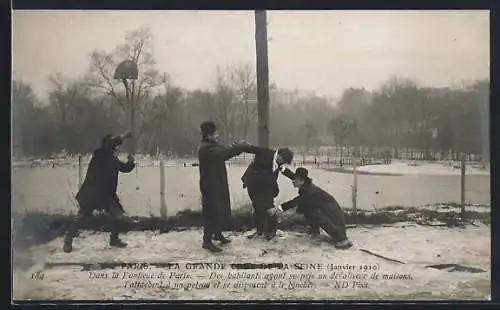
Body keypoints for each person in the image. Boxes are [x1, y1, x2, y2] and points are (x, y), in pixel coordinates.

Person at [63, 132, 135, 253]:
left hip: (107, 195)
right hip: (93, 193)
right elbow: (111, 143)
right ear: (107, 145)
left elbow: (125, 168)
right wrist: (124, 136)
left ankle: (114, 239)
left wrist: (131, 162)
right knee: (82, 217)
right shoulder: (100, 155)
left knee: (117, 215)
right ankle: (67, 241)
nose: (116, 146)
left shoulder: (112, 159)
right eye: (113, 144)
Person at [198, 121, 252, 253]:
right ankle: (207, 241)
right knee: (211, 212)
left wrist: (237, 147)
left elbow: (225, 151)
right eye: (215, 133)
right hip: (210, 185)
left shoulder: (211, 145)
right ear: (209, 135)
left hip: (216, 182)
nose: (218, 135)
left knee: (219, 209)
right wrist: (240, 147)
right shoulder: (206, 148)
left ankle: (217, 234)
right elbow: (224, 153)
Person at [271, 167, 353, 249]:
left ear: (301, 180)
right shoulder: (305, 183)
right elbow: (292, 176)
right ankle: (314, 230)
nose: (293, 181)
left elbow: (296, 201)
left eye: (295, 180)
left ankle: (343, 240)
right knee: (309, 212)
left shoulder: (309, 192)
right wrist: (283, 169)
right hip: (324, 207)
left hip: (331, 210)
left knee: (322, 219)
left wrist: (278, 208)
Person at [241, 146, 294, 240]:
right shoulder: (265, 153)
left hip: (266, 185)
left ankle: (265, 230)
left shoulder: (278, 162)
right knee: (263, 207)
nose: (283, 163)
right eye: (283, 161)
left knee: (266, 207)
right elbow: (251, 149)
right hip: (254, 183)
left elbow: (284, 171)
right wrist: (241, 146)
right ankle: (265, 230)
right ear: (280, 156)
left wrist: (295, 178)